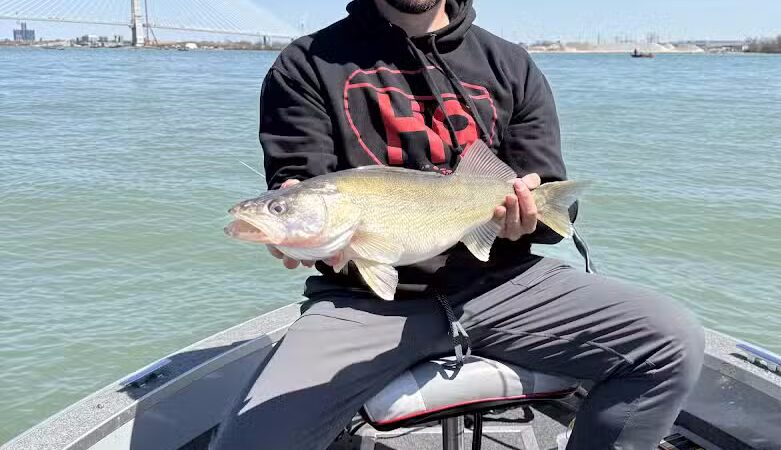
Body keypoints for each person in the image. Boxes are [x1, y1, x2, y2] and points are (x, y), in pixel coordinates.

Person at [210, 0, 705, 449]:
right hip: (363, 300)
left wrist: (526, 219)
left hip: (505, 282)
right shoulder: (304, 63)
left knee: (670, 341)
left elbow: (551, 195)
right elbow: (296, 177)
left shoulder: (510, 63)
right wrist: (288, 217)